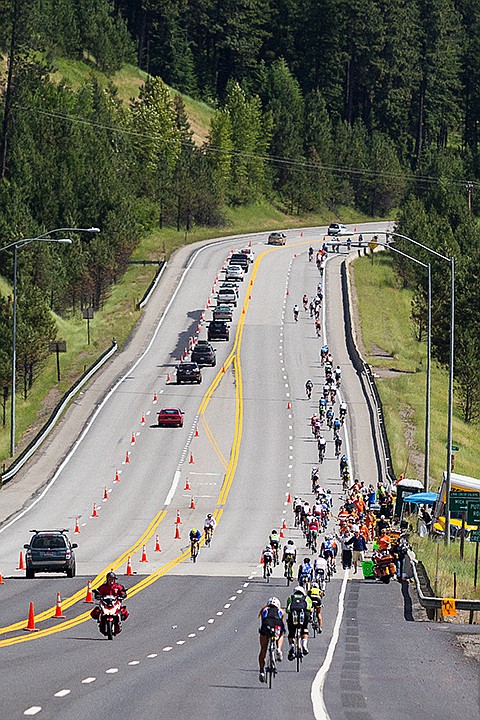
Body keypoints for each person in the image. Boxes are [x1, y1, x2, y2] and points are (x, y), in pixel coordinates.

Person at [258, 596, 285, 682]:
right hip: (277, 625)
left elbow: (263, 622)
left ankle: (262, 671)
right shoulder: (281, 611)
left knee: (263, 649)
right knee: (281, 634)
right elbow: (281, 621)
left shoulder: (264, 610)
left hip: (267, 626)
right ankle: (279, 649)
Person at [286, 585, 312, 659]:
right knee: (304, 628)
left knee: (291, 632)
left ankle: (292, 646)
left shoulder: (290, 598)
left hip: (293, 616)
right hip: (304, 615)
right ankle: (304, 644)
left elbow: (288, 609)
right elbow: (309, 607)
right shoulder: (307, 598)